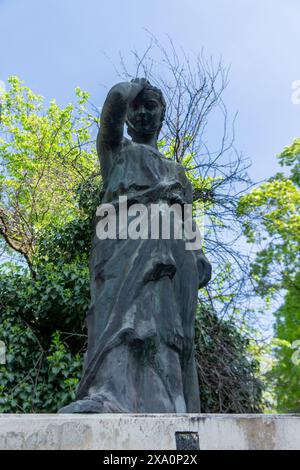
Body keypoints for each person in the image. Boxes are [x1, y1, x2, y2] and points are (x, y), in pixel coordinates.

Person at [59, 78, 211, 413]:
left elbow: (187, 218)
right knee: (119, 318)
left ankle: (170, 402)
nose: (142, 112)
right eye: (136, 107)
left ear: (162, 114)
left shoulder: (176, 170)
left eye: (150, 106)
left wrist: (197, 254)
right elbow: (109, 116)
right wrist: (127, 89)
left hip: (172, 254)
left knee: (164, 325)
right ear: (128, 116)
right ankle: (110, 394)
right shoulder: (116, 152)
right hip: (121, 242)